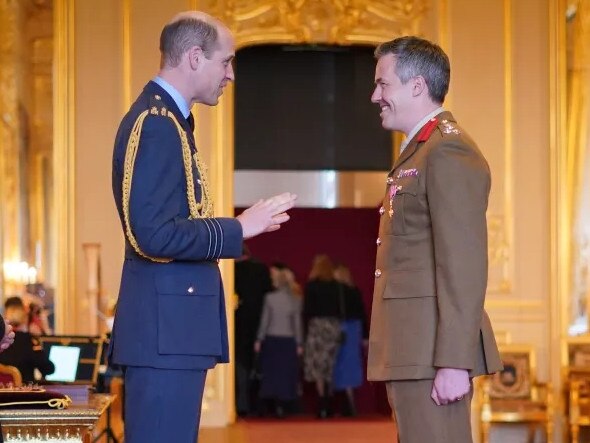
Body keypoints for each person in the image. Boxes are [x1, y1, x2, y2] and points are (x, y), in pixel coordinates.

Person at [109, 11, 296, 443]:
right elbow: (151, 235)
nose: (230, 74)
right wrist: (238, 228)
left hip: (170, 331)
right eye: (225, 62)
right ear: (194, 57)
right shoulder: (157, 125)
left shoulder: (169, 122)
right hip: (165, 333)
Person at [367, 36, 503, 443]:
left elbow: (462, 264)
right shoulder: (421, 151)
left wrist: (453, 363)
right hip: (415, 349)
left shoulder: (447, 151)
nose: (375, 96)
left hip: (432, 354)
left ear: (417, 86)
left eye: (383, 84)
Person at [253, 267, 303, 418]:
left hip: (272, 339)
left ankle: (272, 405)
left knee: (271, 373)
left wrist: (259, 339)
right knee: (286, 374)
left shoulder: (270, 298)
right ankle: (284, 405)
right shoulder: (295, 300)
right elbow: (297, 324)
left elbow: (265, 320)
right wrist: (300, 343)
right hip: (288, 341)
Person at [234, 245, 272, 416]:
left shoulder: (232, 272)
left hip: (237, 323)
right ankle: (258, 404)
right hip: (260, 323)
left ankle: (242, 403)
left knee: (239, 364)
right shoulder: (261, 270)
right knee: (258, 365)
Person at [302, 254, 341, 419]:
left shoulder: (311, 286)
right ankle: (329, 401)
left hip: (317, 326)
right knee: (330, 364)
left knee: (317, 365)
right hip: (332, 326)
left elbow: (307, 309)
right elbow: (340, 308)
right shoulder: (336, 286)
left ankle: (322, 404)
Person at [332, 264, 368, 417]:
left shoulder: (336, 292)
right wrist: (365, 336)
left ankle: (344, 403)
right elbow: (362, 313)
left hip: (341, 328)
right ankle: (350, 402)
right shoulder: (355, 291)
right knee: (352, 364)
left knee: (339, 365)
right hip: (355, 329)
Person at [0, 297, 54, 383]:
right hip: (26, 395)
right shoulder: (30, 341)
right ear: (23, 315)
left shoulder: (1, 341)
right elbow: (48, 369)